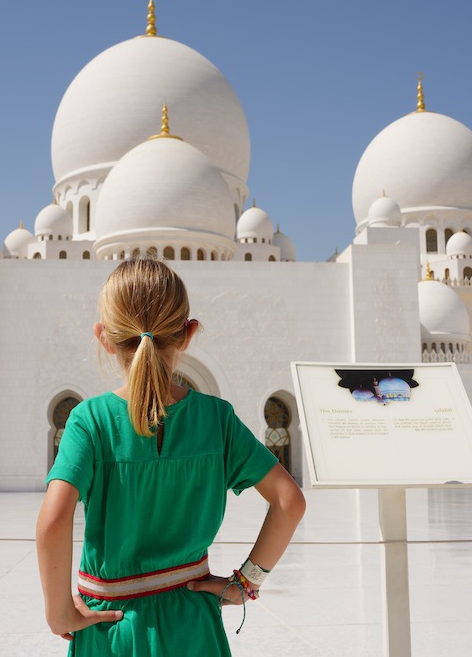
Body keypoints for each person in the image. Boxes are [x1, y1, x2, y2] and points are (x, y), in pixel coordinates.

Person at [36, 259, 306, 655]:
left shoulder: (88, 421)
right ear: (188, 333)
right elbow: (290, 501)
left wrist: (59, 613)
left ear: (104, 337)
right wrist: (244, 584)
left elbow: (53, 521)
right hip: (194, 627)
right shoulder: (217, 419)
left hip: (111, 631)